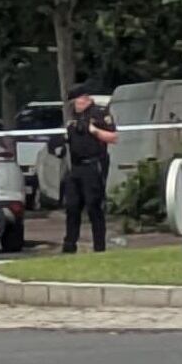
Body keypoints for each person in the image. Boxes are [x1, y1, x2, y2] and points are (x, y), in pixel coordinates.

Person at [59, 90, 117, 255]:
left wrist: (93, 130)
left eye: (76, 102)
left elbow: (113, 137)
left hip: (93, 166)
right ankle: (69, 245)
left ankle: (99, 247)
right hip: (75, 167)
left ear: (84, 99)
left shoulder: (98, 114)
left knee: (93, 206)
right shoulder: (73, 117)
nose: (74, 106)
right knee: (72, 206)